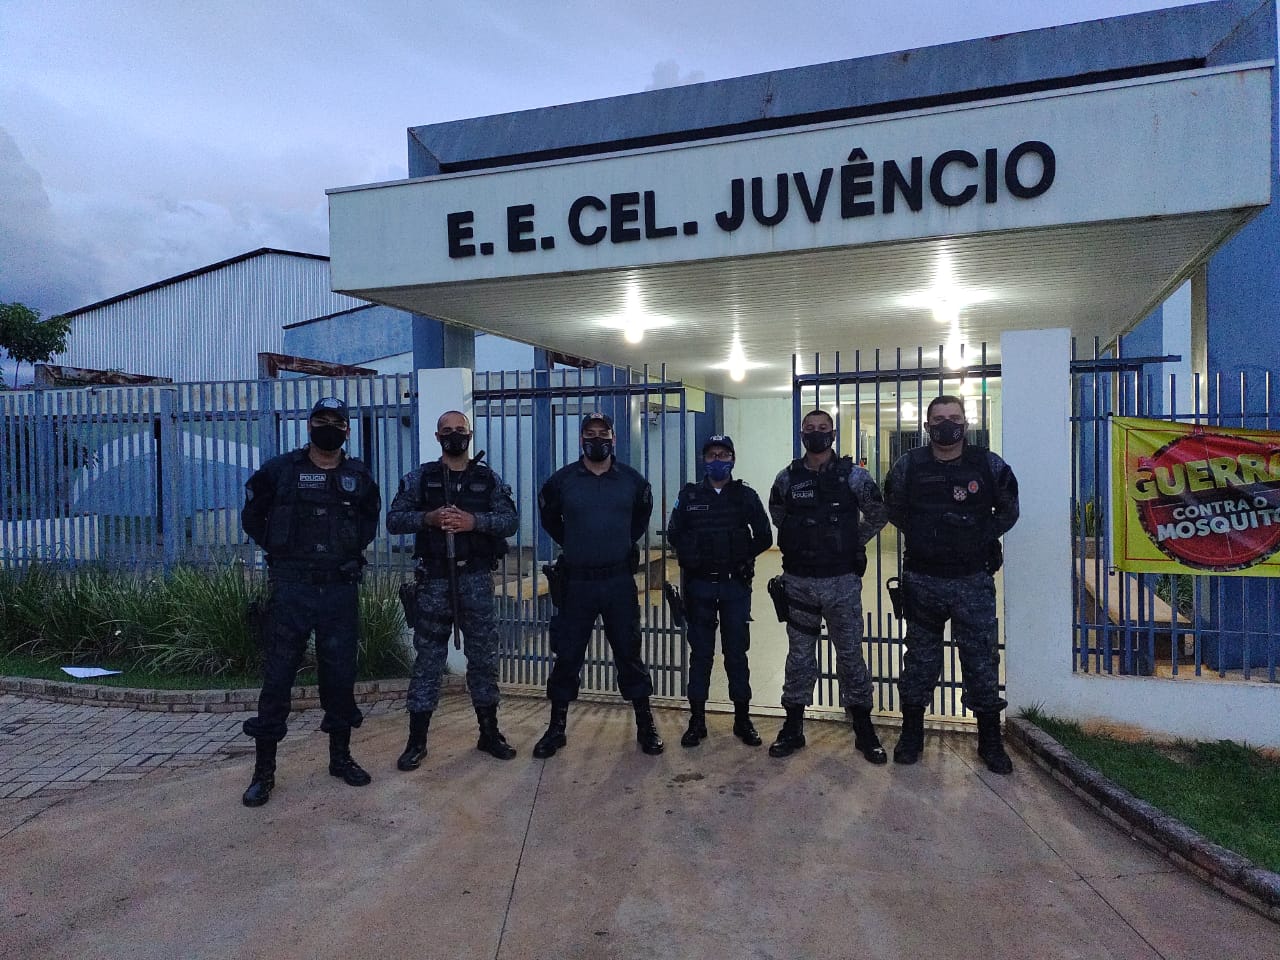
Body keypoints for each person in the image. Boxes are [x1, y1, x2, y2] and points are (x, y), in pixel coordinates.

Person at [239, 396, 381, 807]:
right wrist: (280, 550)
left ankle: (340, 758)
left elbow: (368, 522)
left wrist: (344, 553)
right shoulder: (280, 470)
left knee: (339, 677)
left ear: (347, 430)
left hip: (339, 590)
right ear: (309, 425)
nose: (328, 427)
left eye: (335, 422)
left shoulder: (358, 475)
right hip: (292, 589)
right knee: (278, 678)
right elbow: (253, 516)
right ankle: (264, 772)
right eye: (321, 420)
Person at [883, 395, 1020, 774]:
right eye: (939, 419)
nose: (947, 425)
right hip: (923, 579)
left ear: (966, 423)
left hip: (972, 579)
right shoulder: (909, 465)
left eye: (954, 418)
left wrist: (976, 535)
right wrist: (928, 534)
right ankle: (912, 734)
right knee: (919, 660)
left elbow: (1009, 510)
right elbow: (893, 508)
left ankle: (989, 741)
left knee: (981, 660)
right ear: (927, 426)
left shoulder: (988, 465)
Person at [385, 410, 520, 770]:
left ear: (470, 434)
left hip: (475, 578)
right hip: (434, 581)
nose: (455, 435)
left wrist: (473, 522)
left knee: (483, 658)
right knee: (428, 661)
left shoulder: (487, 479)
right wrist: (428, 518)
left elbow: (510, 521)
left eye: (460, 429)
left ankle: (489, 733)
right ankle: (416, 742)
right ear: (437, 436)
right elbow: (394, 520)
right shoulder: (421, 478)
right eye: (448, 430)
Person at [532, 411, 663, 757]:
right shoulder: (562, 481)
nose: (597, 439)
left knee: (629, 654)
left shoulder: (632, 481)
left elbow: (639, 520)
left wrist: (616, 542)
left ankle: (645, 725)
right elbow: (550, 520)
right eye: (590, 433)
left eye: (603, 433)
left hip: (618, 582)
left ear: (613, 438)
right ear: (581, 439)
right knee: (567, 656)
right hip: (577, 585)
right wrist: (577, 542)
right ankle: (556, 728)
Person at [767, 409, 889, 763]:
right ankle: (793, 726)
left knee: (850, 654)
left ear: (833, 435)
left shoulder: (854, 476)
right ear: (802, 434)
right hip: (799, 582)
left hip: (841, 583)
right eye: (810, 428)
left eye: (823, 428)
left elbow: (878, 513)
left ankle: (863, 728)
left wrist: (852, 542)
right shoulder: (787, 478)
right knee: (799, 656)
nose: (816, 433)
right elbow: (779, 515)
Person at [666, 434, 772, 748]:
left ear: (732, 459)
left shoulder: (745, 496)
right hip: (699, 586)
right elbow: (674, 532)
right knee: (700, 655)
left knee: (736, 654)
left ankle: (743, 719)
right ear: (704, 460)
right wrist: (692, 554)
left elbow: (764, 535)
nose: (717, 460)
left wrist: (741, 555)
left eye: (723, 454)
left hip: (734, 586)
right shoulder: (689, 496)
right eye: (712, 454)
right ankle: (697, 721)